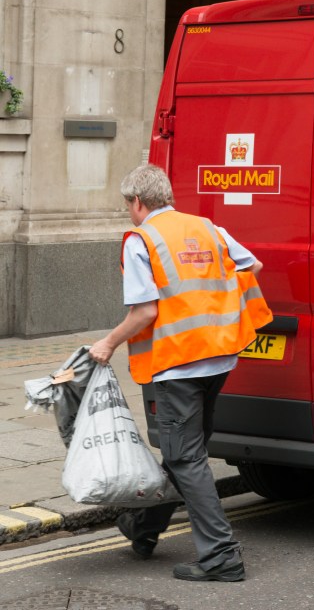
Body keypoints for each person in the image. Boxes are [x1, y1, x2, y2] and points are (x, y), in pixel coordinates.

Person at [90, 164, 272, 582]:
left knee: (184, 456)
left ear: (137, 202)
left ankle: (222, 557)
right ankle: (143, 527)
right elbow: (253, 266)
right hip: (220, 357)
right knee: (184, 452)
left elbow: (145, 311)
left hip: (178, 364)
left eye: (127, 205)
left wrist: (108, 343)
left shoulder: (142, 239)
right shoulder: (207, 227)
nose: (128, 213)